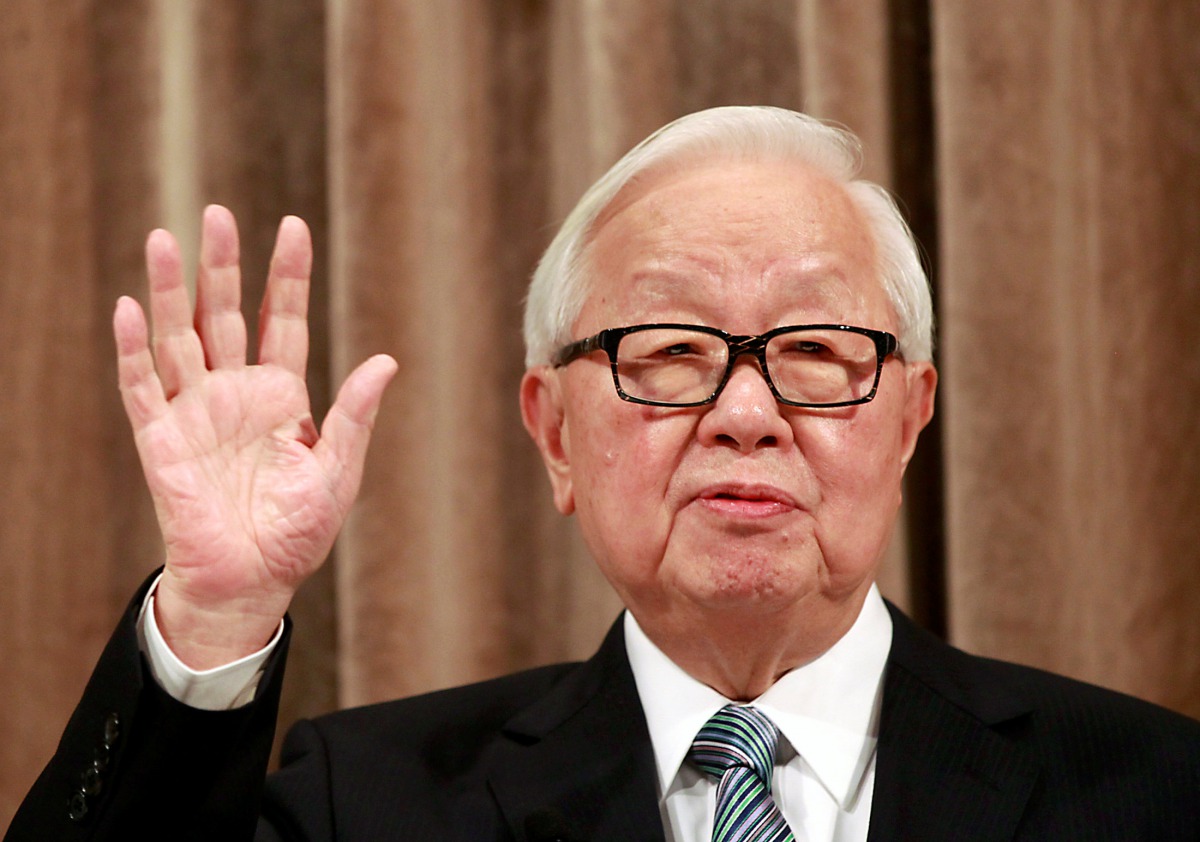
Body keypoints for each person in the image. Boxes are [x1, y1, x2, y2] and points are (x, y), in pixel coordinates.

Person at [7, 106, 1200, 841]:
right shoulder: (364, 802)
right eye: (670, 352)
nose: (745, 413)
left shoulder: (1153, 791)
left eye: (816, 353)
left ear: (909, 417)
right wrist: (218, 614)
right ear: (557, 433)